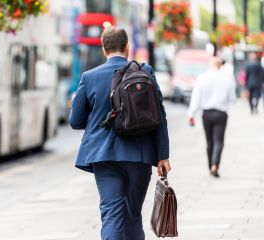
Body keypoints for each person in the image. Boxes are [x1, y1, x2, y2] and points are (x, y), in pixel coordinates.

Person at [68, 26, 171, 240]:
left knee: (112, 216)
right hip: (139, 155)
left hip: (104, 156)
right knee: (133, 215)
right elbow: (160, 116)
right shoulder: (146, 72)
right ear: (127, 48)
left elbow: (75, 121)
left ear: (104, 49)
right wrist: (163, 155)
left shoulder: (89, 77)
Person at [188, 57, 236, 178]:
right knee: (219, 141)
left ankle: (210, 166)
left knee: (209, 141)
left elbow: (196, 98)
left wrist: (191, 114)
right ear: (220, 65)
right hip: (221, 113)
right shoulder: (227, 78)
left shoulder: (202, 78)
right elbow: (233, 99)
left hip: (207, 113)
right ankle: (215, 164)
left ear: (210, 65)